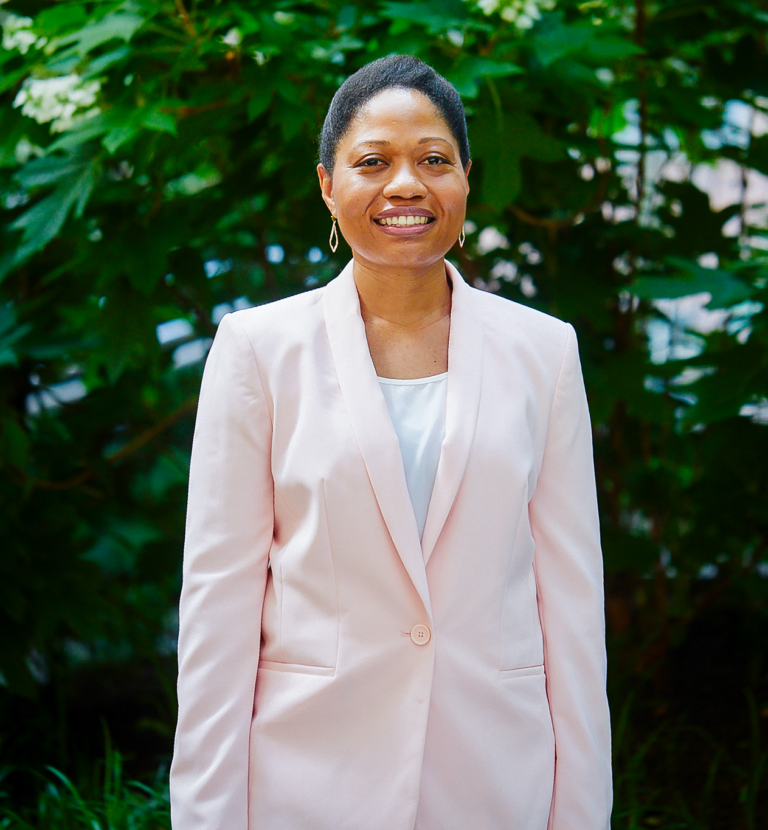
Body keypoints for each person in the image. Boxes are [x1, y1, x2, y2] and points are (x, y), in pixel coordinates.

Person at [169, 55, 612, 830]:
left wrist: (579, 812)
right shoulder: (257, 350)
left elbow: (572, 607)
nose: (406, 184)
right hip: (306, 783)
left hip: (493, 783)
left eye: (433, 160)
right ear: (327, 184)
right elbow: (218, 608)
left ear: (466, 179)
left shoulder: (545, 351)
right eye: (372, 161)